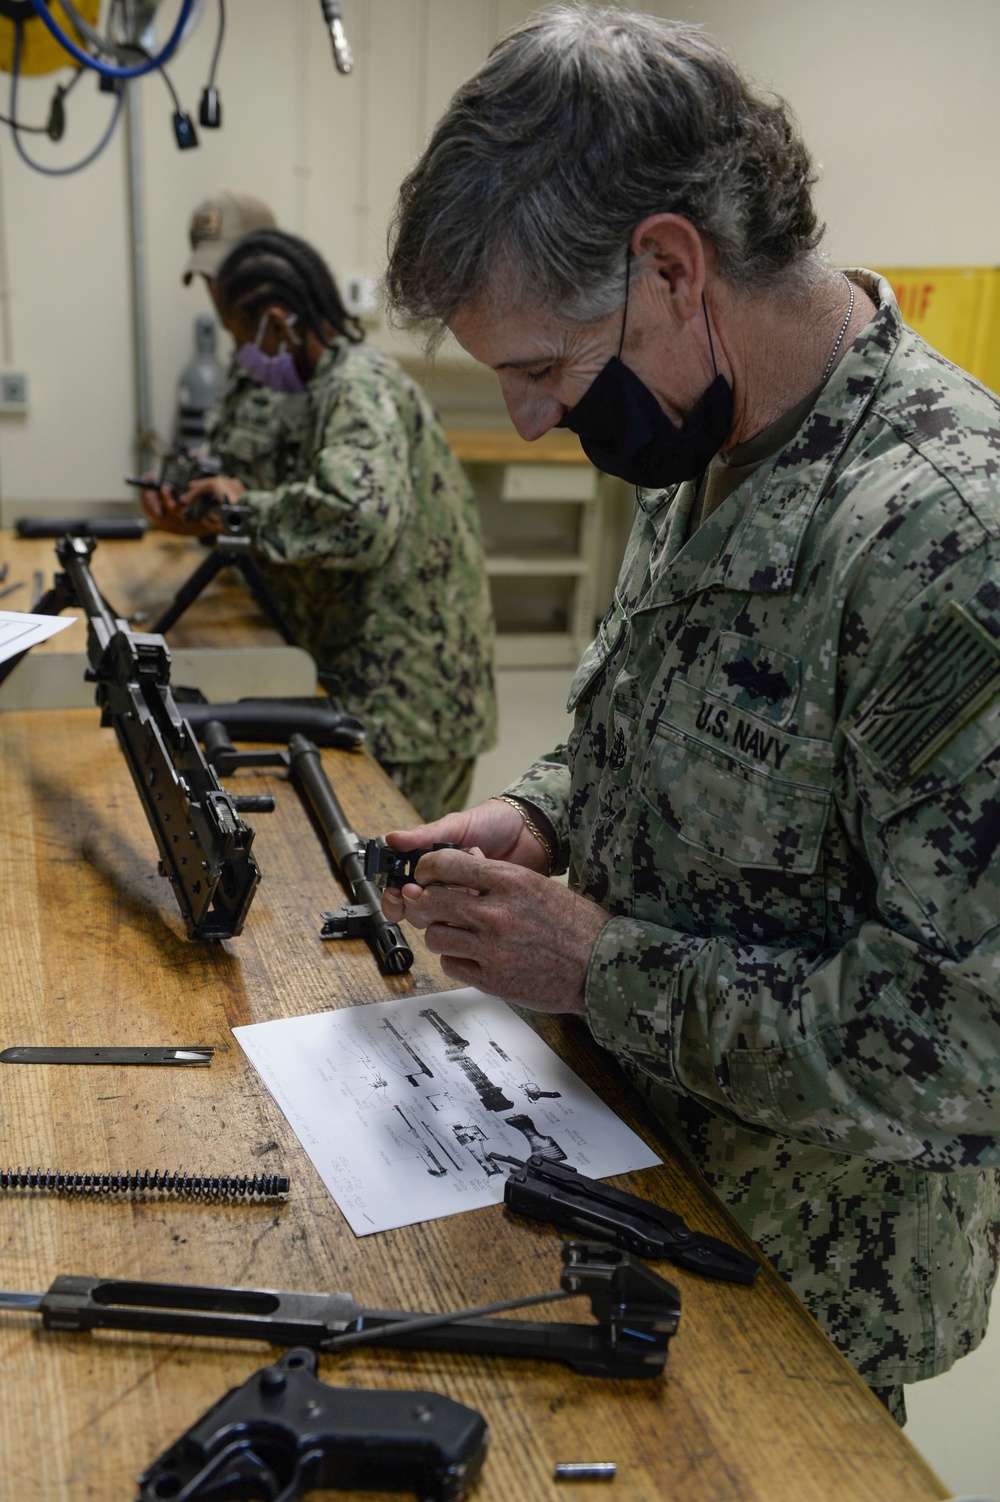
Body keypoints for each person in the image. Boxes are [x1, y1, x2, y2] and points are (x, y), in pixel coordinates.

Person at [380, 6, 1000, 1424]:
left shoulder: (945, 538)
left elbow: (963, 1045)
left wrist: (600, 965)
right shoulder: (703, 438)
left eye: (539, 367)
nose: (530, 419)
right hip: (641, 1188)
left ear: (671, 264)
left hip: (803, 1306)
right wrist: (541, 811)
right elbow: (663, 722)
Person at [144, 229, 497, 821]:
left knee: (390, 892)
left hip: (409, 700)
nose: (246, 360)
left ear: (277, 323)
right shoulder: (322, 385)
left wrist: (241, 507)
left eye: (242, 339)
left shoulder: (356, 385)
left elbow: (359, 517)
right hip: (367, 674)